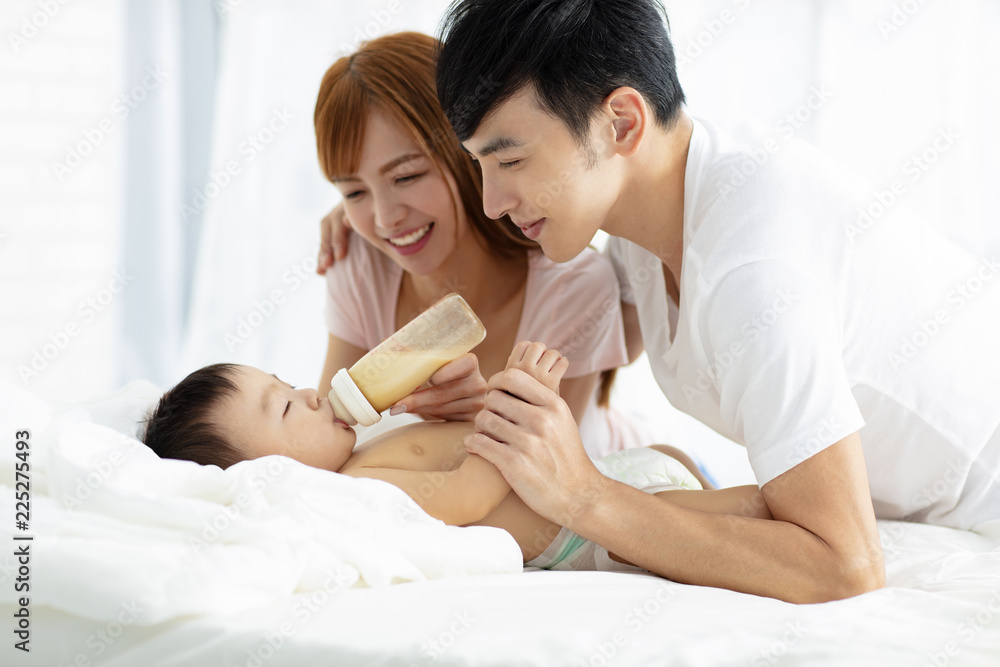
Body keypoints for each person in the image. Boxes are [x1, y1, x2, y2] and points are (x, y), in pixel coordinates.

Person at [432, 0, 1000, 603]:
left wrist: (586, 496)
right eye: (479, 165)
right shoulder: (652, 216)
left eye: (511, 159)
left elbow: (845, 567)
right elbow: (579, 345)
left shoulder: (753, 270)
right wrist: (484, 398)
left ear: (621, 122)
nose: (492, 200)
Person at [310, 31, 653, 460]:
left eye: (407, 177)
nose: (384, 219)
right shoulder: (358, 264)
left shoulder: (573, 286)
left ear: (472, 153)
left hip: (613, 483)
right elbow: (322, 446)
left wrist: (472, 419)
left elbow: (536, 484)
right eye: (354, 193)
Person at [141, 341, 764, 570]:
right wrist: (517, 402)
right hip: (590, 530)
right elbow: (470, 496)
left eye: (285, 381)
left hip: (602, 479)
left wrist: (462, 405)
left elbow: (458, 452)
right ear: (269, 475)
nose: (308, 391)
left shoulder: (368, 445)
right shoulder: (359, 487)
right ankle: (804, 513)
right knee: (746, 510)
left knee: (666, 452)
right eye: (283, 408)